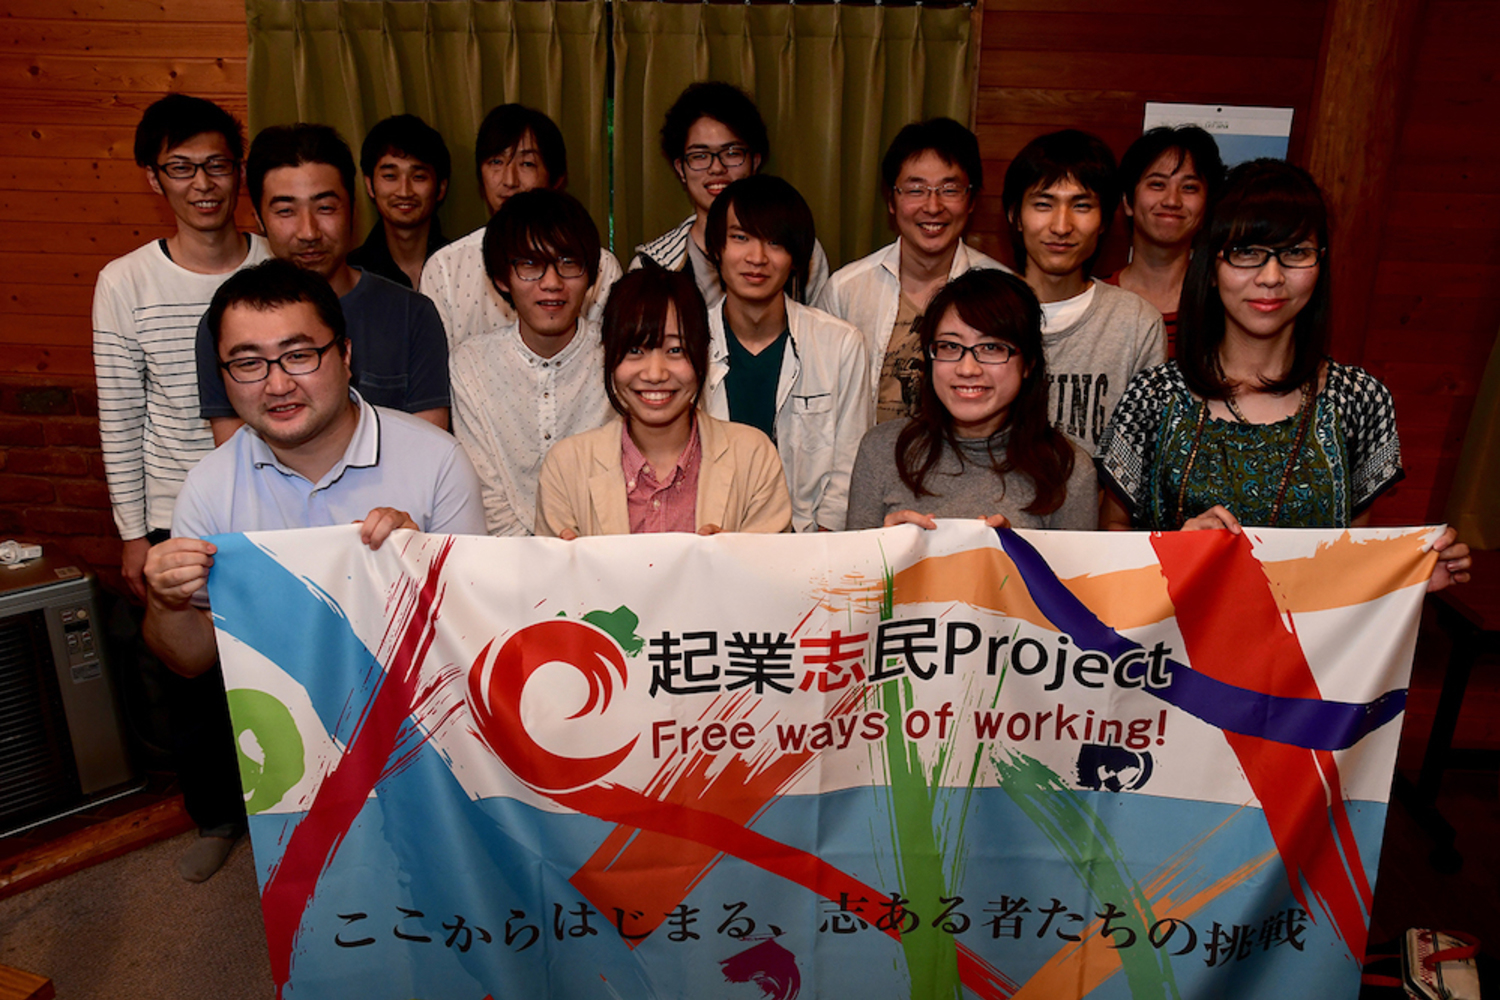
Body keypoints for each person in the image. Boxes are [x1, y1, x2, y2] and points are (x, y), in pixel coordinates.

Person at [143, 259, 484, 880]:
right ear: (224, 376)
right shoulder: (209, 487)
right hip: (288, 742)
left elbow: (476, 638)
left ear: (345, 355)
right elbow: (189, 660)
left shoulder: (435, 461)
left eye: (299, 355)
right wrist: (164, 599)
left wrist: (420, 568)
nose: (277, 384)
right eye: (247, 363)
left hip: (424, 728)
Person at [1094, 159, 1470, 589]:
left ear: (1320, 265)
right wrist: (1173, 550)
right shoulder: (1153, 395)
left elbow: (1354, 559)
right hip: (1174, 627)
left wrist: (1408, 578)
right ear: (1211, 268)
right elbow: (1109, 538)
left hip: (1309, 633)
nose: (1271, 277)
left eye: (1295, 253)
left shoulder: (1360, 399)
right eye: (1247, 253)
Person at [91, 92, 272, 883]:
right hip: (180, 513)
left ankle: (294, 808)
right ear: (153, 177)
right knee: (195, 679)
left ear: (240, 172)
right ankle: (217, 815)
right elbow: (120, 412)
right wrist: (135, 533)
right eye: (181, 168)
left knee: (279, 666)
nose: (203, 184)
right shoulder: (124, 282)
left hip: (276, 506)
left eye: (217, 166)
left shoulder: (275, 264)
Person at [193, 124, 451, 443]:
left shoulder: (412, 314)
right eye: (286, 211)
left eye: (325, 208)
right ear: (259, 218)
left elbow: (429, 447)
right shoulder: (226, 324)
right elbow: (235, 453)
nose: (309, 232)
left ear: (352, 210)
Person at [535, 266, 791, 537]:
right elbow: (551, 563)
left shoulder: (753, 457)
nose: (655, 374)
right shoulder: (567, 466)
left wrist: (739, 557)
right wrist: (566, 562)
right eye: (635, 350)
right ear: (608, 355)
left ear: (703, 354)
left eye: (675, 350)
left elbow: (775, 562)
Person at [846, 269, 1096, 531]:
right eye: (950, 346)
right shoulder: (881, 450)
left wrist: (1017, 550)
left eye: (992, 347)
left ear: (1028, 364)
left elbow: (1073, 561)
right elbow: (852, 559)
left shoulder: (1068, 471)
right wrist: (882, 548)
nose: (967, 369)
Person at [700, 175, 872, 532]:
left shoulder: (840, 344)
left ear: (796, 257)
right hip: (712, 538)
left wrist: (819, 546)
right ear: (716, 248)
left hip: (808, 542)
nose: (757, 258)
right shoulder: (690, 342)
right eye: (740, 238)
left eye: (775, 242)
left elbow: (850, 464)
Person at [817, 118, 1008, 421]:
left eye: (949, 189)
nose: (932, 206)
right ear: (891, 201)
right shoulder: (846, 290)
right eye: (916, 190)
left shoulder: (1003, 291)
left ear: (971, 200)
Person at [450, 189, 614, 536]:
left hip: (604, 552)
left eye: (569, 263)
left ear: (591, 275)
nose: (552, 283)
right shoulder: (471, 364)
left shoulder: (616, 355)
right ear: (501, 278)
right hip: (506, 557)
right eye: (530, 265)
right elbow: (485, 493)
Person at [1002, 129, 1164, 455]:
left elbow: (1144, 454)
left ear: (1104, 220)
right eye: (1043, 204)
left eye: (1081, 206)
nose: (1061, 226)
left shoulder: (1135, 323)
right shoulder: (978, 312)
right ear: (1015, 216)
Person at [419, 104, 621, 349]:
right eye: (496, 162)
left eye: (527, 164)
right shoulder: (445, 267)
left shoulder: (601, 266)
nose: (509, 180)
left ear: (557, 178)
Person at [630, 81, 831, 309]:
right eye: (700, 156)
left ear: (755, 162)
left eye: (732, 153)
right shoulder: (651, 266)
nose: (717, 168)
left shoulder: (798, 246)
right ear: (680, 169)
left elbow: (818, 325)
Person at [1105, 126, 1224, 354]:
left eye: (1189, 188)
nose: (1172, 201)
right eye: (1157, 184)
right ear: (1128, 202)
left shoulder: (1225, 301)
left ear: (1207, 207)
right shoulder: (1094, 301)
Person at [348, 113, 451, 289]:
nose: (404, 192)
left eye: (418, 177)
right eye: (390, 176)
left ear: (441, 188)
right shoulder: (351, 273)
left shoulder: (462, 265)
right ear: (369, 185)